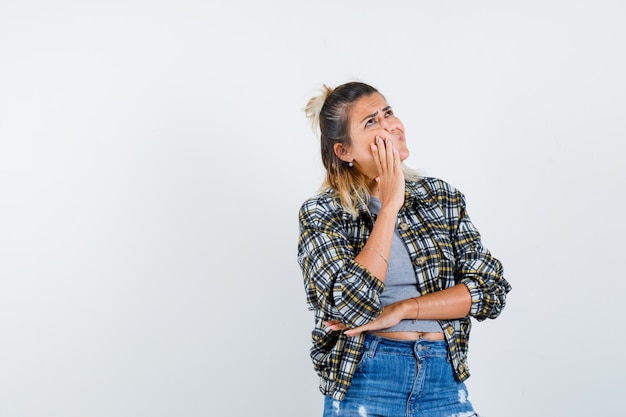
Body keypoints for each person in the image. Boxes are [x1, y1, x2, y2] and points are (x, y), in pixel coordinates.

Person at [297, 81, 512, 417]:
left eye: (389, 113)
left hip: (443, 380)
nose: (391, 126)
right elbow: (352, 308)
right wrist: (390, 205)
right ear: (344, 151)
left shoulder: (440, 197)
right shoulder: (323, 213)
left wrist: (403, 309)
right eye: (371, 122)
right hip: (369, 379)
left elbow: (490, 290)